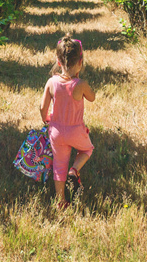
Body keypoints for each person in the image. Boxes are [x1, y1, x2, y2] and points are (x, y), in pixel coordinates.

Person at [40, 34, 95, 209]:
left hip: (56, 131)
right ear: (80, 61)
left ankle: (61, 201)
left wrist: (46, 119)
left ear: (58, 61)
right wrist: (82, 83)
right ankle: (75, 169)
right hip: (76, 130)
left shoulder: (51, 82)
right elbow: (92, 98)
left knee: (59, 164)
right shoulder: (80, 84)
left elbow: (42, 108)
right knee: (87, 149)